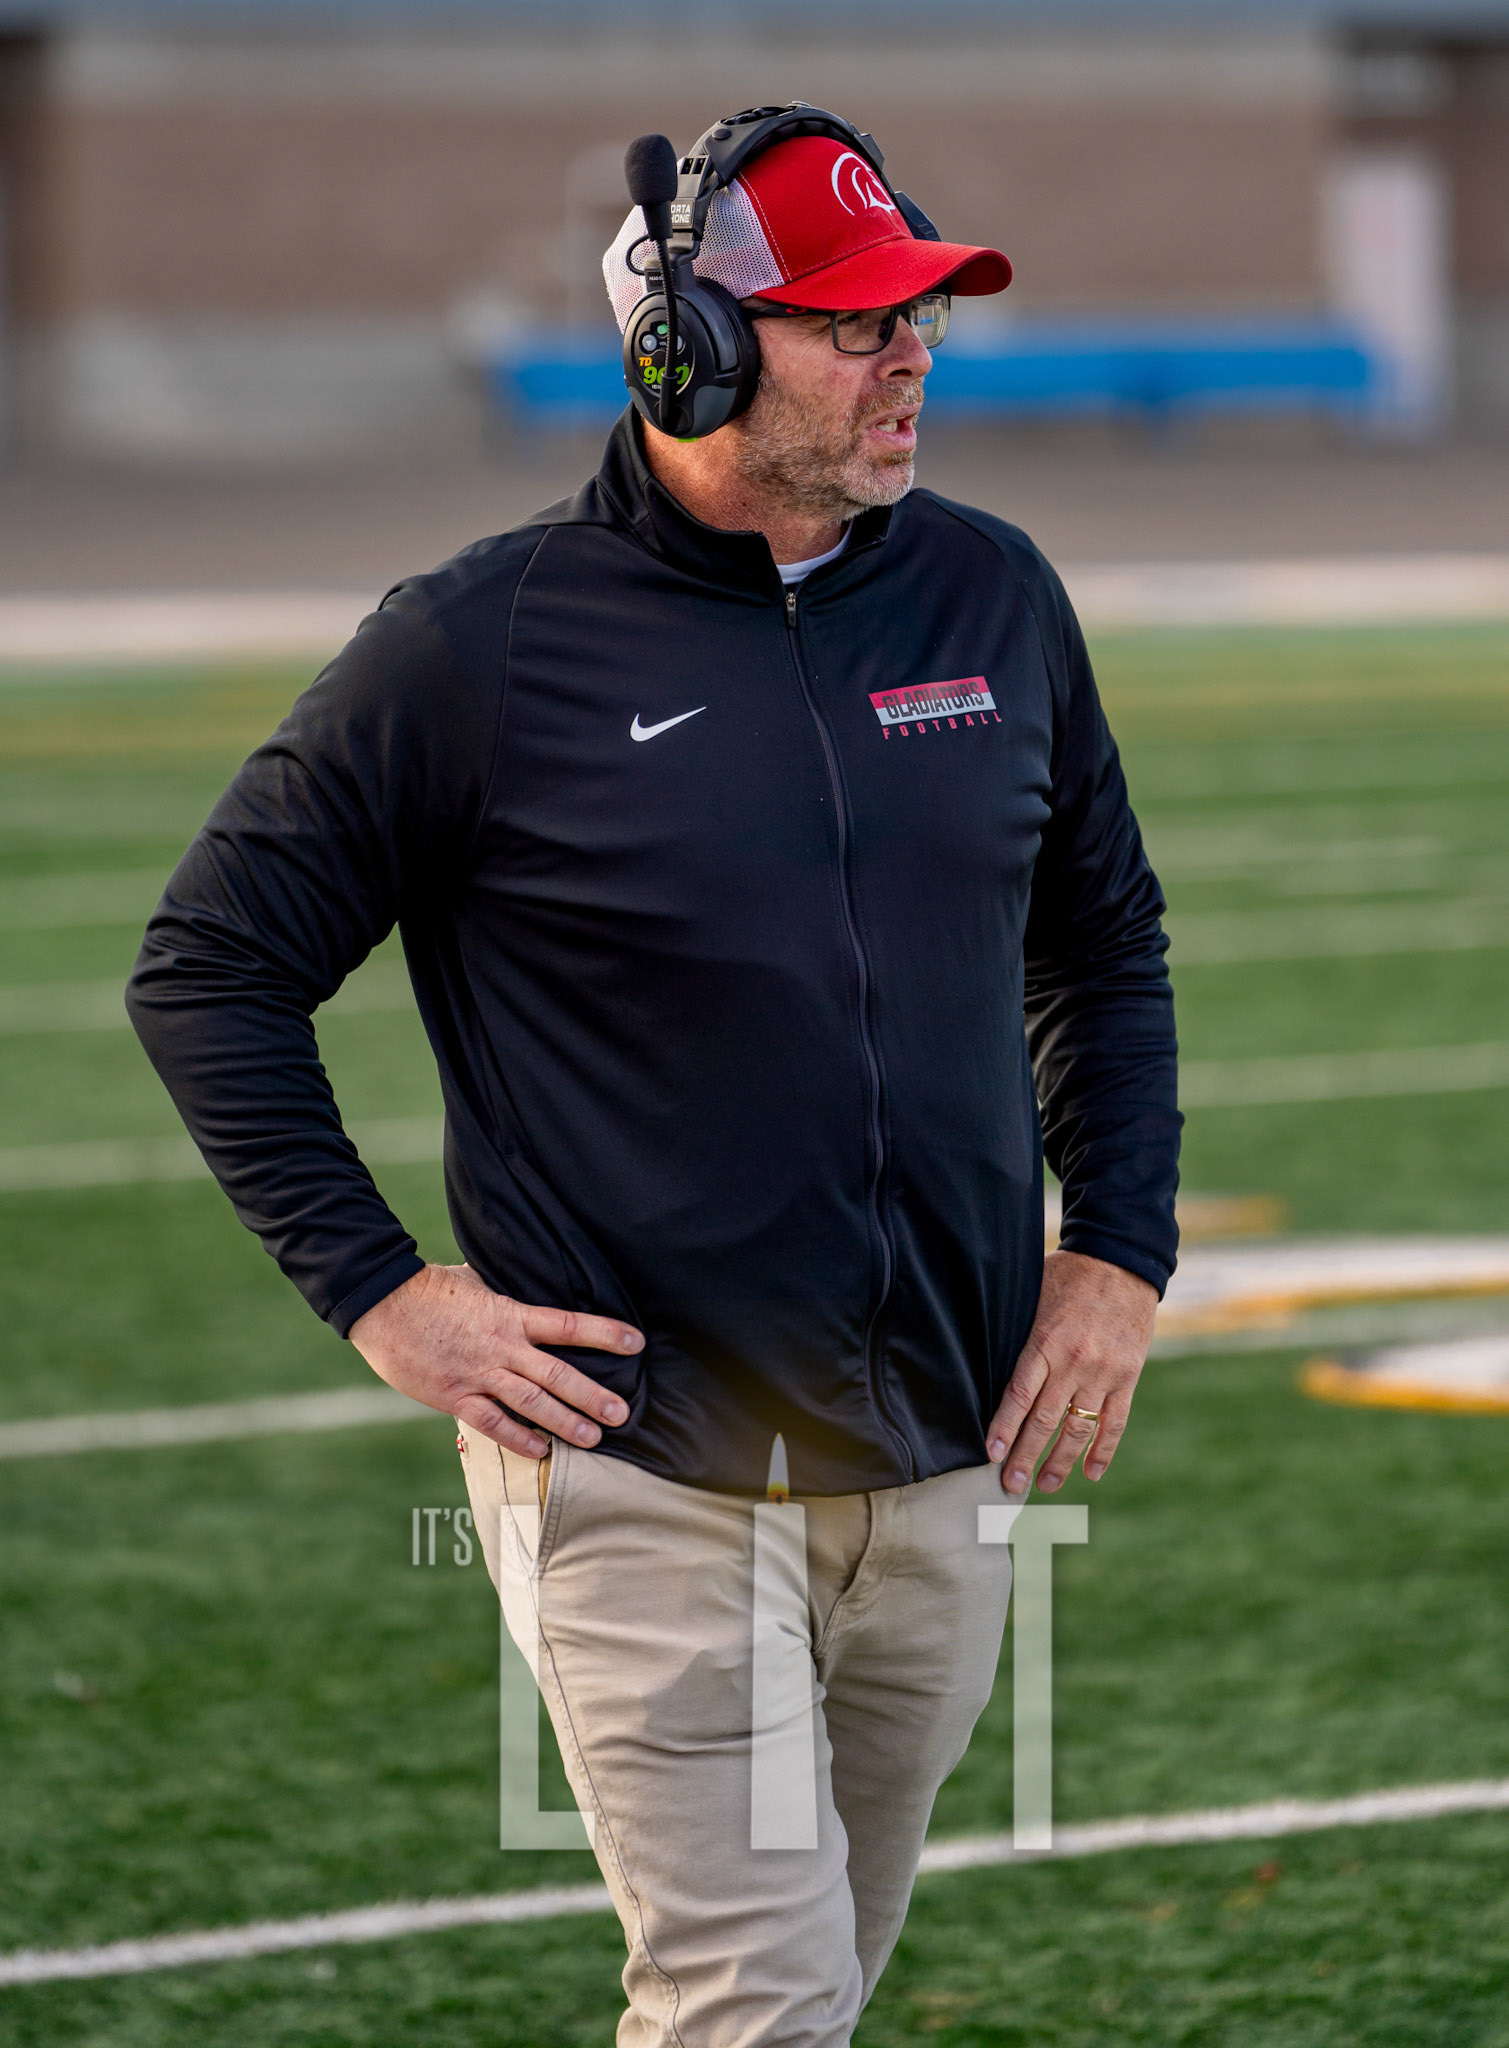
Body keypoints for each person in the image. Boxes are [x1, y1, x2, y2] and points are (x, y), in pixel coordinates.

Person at [128, 109, 1179, 2048]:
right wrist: (384, 1294)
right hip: (646, 1472)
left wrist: (1116, 1248)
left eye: (920, 315)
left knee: (813, 1990)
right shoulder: (473, 646)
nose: (910, 357)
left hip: (948, 1457)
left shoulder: (992, 593)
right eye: (854, 322)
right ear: (683, 348)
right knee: (752, 2006)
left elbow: (1100, 939)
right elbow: (210, 967)